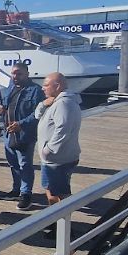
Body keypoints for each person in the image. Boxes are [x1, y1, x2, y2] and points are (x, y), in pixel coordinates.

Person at [34, 73, 82, 217]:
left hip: (57, 159)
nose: (43, 88)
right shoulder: (56, 101)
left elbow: (63, 129)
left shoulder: (63, 104)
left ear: (58, 86)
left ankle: (60, 225)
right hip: (54, 158)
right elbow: (37, 115)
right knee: (53, 189)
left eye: (46, 85)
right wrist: (43, 104)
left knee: (57, 193)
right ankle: (57, 222)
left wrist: (48, 150)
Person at [0, 63, 44, 210]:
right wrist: (1, 108)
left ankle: (26, 194)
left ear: (27, 74)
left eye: (19, 74)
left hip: (25, 134)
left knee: (25, 164)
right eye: (13, 74)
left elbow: (37, 114)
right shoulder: (11, 87)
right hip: (8, 133)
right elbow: (6, 104)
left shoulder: (36, 91)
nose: (15, 77)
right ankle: (16, 189)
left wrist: (21, 124)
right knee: (13, 163)